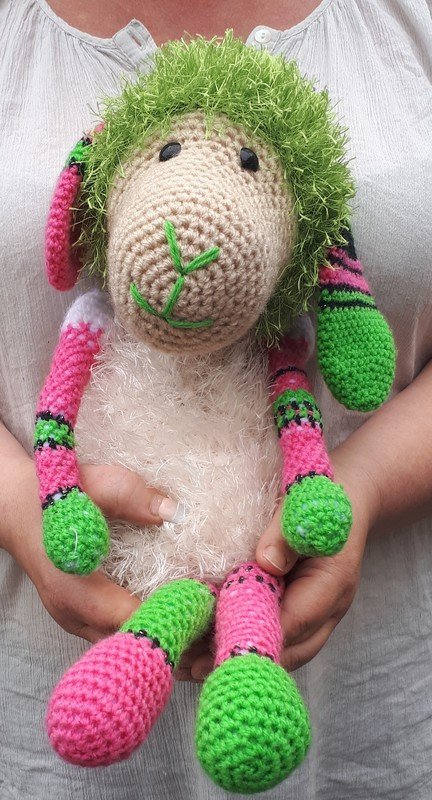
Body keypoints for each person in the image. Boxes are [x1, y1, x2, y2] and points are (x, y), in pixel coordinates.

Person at [0, 0, 431, 797]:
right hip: (33, 661)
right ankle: (144, 653)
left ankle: (247, 658)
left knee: (246, 593)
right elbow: (55, 411)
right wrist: (26, 499)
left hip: (374, 686)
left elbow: (302, 419)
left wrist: (358, 485)